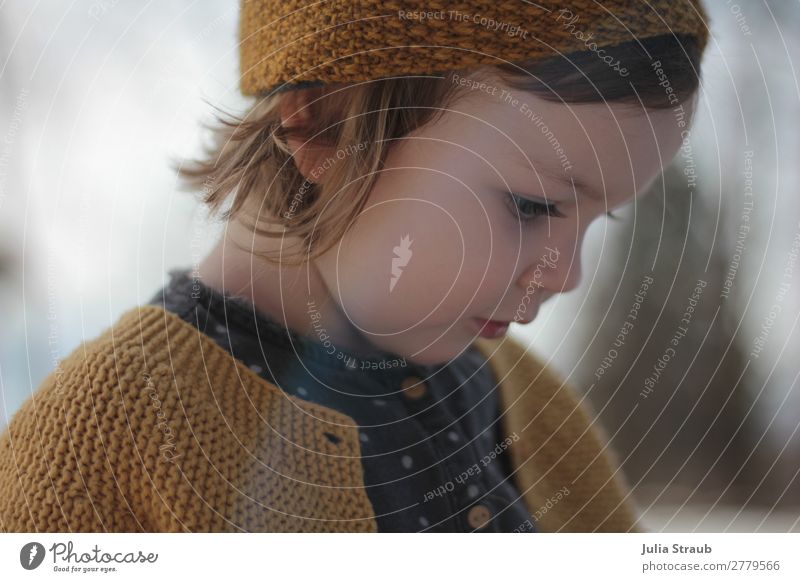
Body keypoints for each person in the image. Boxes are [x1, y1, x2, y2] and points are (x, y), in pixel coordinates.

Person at [0, 0, 709, 532]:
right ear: (322, 123)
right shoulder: (98, 444)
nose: (565, 276)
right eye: (533, 206)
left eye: (601, 216)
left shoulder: (530, 407)